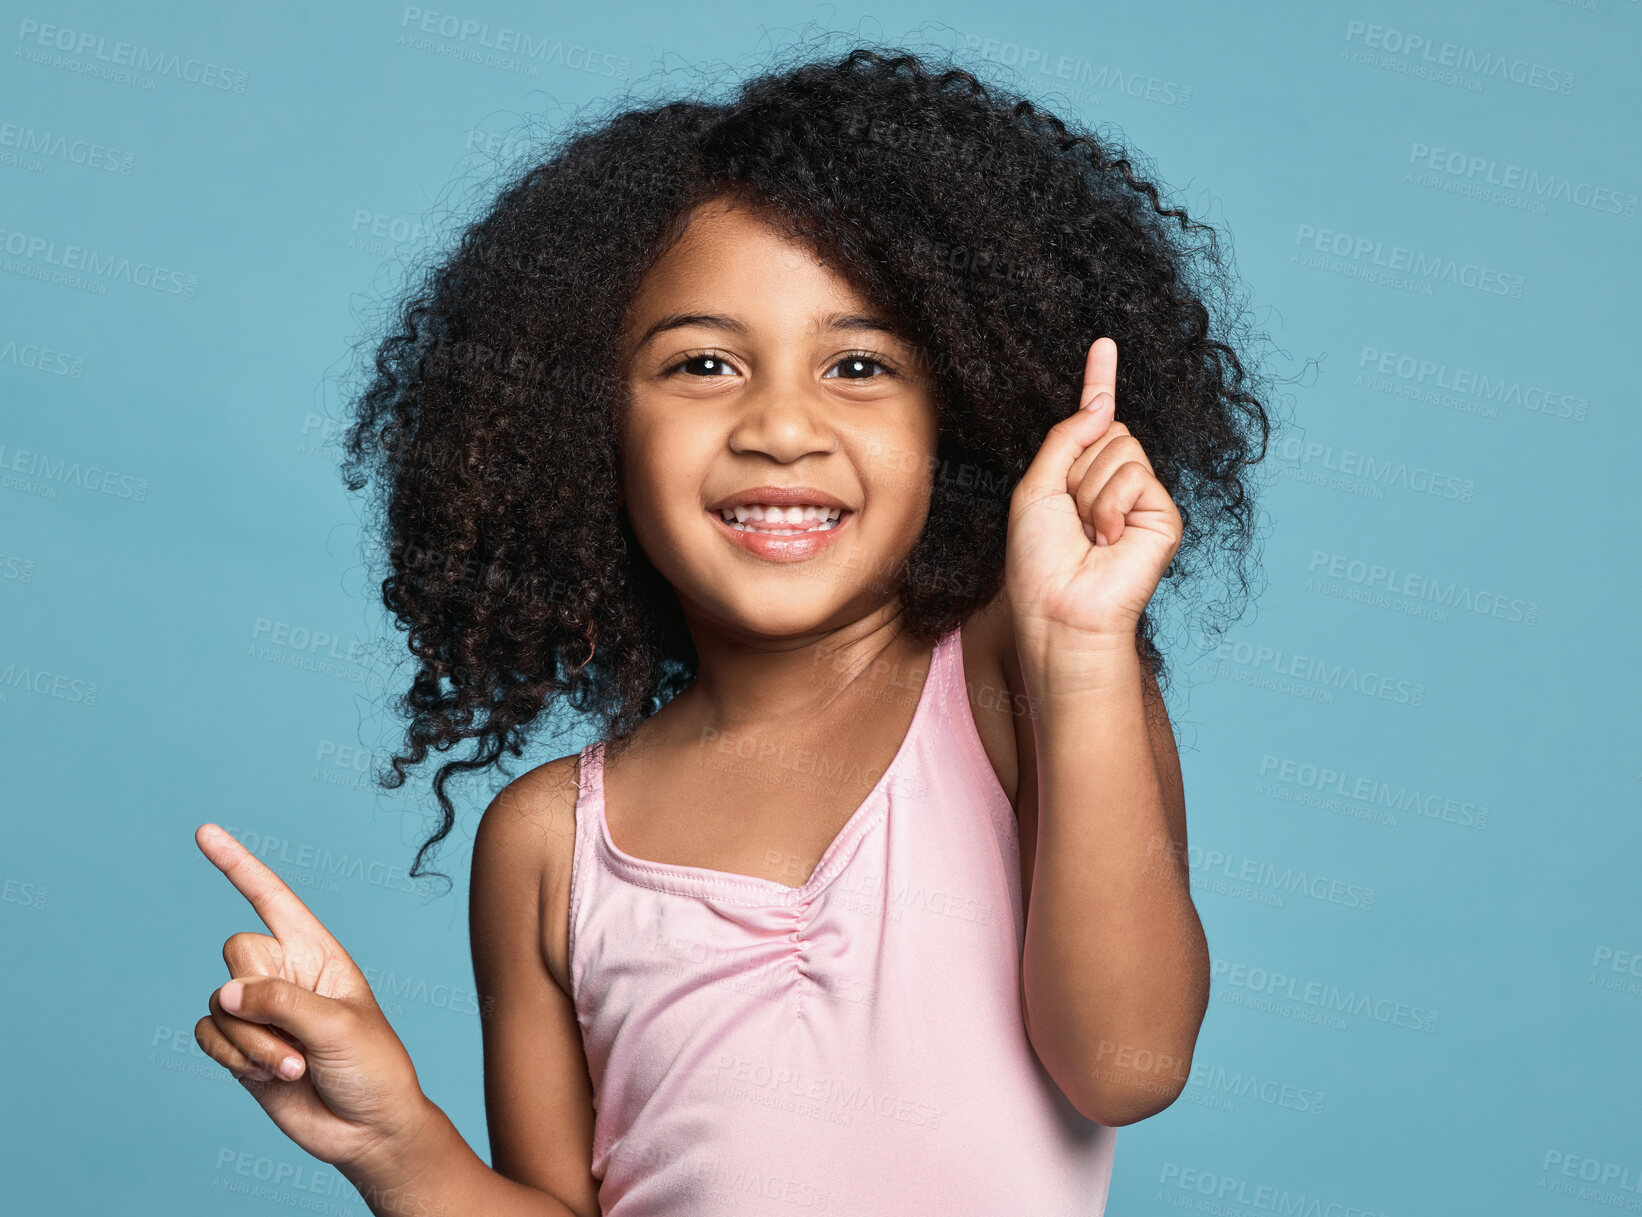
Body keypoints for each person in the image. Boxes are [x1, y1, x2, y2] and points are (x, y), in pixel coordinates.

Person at [193, 42, 1271, 1217]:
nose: (781, 427)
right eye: (703, 363)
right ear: (583, 421)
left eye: (858, 365)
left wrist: (1079, 645)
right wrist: (397, 1141)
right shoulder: (548, 841)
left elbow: (1127, 1064)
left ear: (957, 408)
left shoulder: (1028, 676)